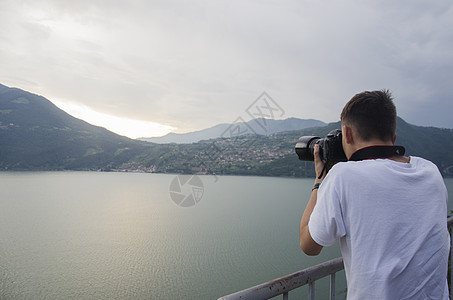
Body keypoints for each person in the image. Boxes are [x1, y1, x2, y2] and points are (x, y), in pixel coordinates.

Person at [299, 90, 450, 299]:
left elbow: (309, 245)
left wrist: (320, 180)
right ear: (393, 137)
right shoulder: (431, 172)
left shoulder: (342, 177)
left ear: (348, 134)